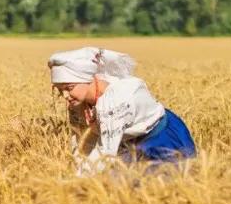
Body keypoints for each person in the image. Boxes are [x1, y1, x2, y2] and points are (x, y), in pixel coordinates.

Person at [48, 47, 197, 176]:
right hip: (127, 142)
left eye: (69, 88)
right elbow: (81, 144)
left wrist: (79, 182)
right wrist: (77, 172)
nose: (65, 96)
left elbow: (105, 152)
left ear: (87, 79)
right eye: (60, 91)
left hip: (162, 138)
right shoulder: (76, 104)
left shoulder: (116, 100)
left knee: (164, 184)